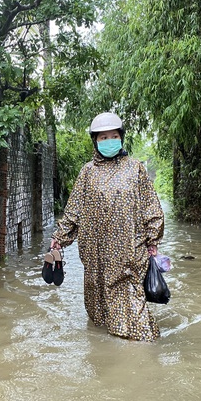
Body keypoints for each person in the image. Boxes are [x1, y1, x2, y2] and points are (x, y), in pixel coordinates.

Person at [50, 112, 165, 342]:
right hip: (96, 255)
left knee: (136, 314)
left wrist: (153, 240)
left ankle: (142, 346)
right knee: (99, 311)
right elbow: (74, 211)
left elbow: (151, 207)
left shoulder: (135, 169)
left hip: (130, 253)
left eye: (113, 136)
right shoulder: (87, 172)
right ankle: (109, 349)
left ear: (121, 139)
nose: (109, 141)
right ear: (95, 141)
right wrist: (59, 239)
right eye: (103, 137)